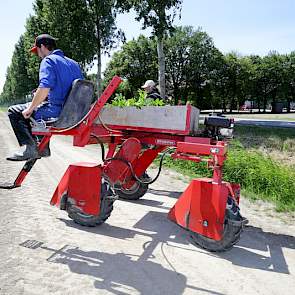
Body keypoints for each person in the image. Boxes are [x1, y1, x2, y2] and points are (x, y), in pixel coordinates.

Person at [6, 34, 83, 161]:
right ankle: (43, 149)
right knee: (36, 106)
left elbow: (44, 87)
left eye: (36, 50)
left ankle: (30, 149)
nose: (37, 54)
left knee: (15, 111)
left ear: (42, 47)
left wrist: (30, 108)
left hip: (57, 112)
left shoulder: (48, 61)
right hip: (74, 113)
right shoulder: (74, 64)